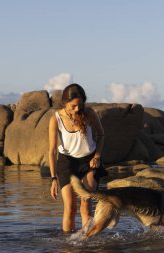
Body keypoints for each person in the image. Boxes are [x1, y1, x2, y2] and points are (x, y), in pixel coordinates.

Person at [48, 83, 107, 233]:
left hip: (89, 162)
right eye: (73, 106)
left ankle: (87, 241)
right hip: (67, 163)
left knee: (86, 205)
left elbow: (101, 135)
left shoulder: (89, 113)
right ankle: (69, 243)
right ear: (64, 103)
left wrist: (98, 156)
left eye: (79, 105)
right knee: (70, 208)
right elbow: (52, 150)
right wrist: (53, 178)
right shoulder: (56, 119)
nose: (77, 109)